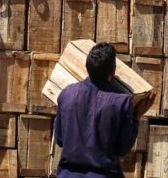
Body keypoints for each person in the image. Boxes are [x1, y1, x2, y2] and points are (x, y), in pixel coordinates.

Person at [54, 42, 156, 178]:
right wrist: (136, 117)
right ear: (112, 72)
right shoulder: (122, 102)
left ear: (87, 67)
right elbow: (122, 149)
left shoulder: (66, 94)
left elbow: (60, 139)